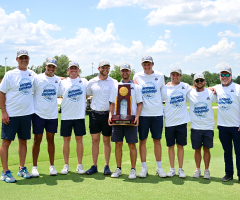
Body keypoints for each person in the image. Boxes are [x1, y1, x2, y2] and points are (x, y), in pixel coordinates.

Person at [0, 49, 34, 183]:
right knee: (6, 142)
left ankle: (22, 168)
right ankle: (5, 172)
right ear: (17, 59)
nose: (24, 60)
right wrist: (3, 112)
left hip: (26, 115)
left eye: (26, 57)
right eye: (21, 58)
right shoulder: (10, 74)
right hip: (11, 115)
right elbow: (1, 92)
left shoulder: (32, 74)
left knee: (23, 141)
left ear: (29, 59)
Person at [133, 56, 167, 178]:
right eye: (144, 64)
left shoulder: (160, 75)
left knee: (157, 141)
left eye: (148, 64)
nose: (146, 66)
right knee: (142, 141)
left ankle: (159, 167)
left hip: (157, 113)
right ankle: (144, 168)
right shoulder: (137, 76)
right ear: (142, 65)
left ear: (153, 64)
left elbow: (164, 90)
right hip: (143, 114)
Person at [108, 63, 142, 179]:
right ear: (120, 72)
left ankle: (133, 169)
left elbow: (139, 104)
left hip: (131, 120)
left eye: (127, 70)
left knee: (132, 145)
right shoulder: (115, 86)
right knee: (118, 144)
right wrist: (110, 115)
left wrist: (137, 116)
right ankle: (118, 168)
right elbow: (112, 103)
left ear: (130, 72)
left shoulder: (136, 87)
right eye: (123, 71)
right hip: (118, 120)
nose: (125, 72)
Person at [86, 60, 118, 175]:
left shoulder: (114, 82)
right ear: (98, 69)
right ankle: (94, 165)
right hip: (94, 114)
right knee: (95, 141)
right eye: (103, 67)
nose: (106, 69)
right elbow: (86, 95)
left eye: (107, 67)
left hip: (107, 115)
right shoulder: (91, 82)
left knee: (106, 141)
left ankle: (106, 165)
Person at [31, 57, 61, 177]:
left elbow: (59, 93)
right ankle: (34, 166)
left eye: (53, 67)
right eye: (49, 66)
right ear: (45, 66)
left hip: (52, 115)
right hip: (38, 114)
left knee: (51, 140)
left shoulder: (58, 80)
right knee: (37, 140)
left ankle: (52, 166)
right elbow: (31, 93)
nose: (51, 68)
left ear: (55, 68)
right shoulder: (37, 78)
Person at [58, 61, 88, 175]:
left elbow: (88, 93)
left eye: (75, 68)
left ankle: (79, 165)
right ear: (68, 70)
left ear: (78, 70)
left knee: (79, 140)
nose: (73, 70)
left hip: (79, 116)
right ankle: (66, 165)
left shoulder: (84, 81)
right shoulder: (63, 83)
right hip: (66, 116)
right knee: (66, 140)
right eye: (71, 68)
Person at [161, 67, 191, 178]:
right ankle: (172, 169)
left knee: (180, 146)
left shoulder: (185, 86)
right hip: (169, 122)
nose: (175, 77)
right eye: (173, 75)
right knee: (170, 146)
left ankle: (180, 169)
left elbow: (196, 88)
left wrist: (212, 88)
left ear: (180, 76)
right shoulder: (165, 89)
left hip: (181, 122)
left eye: (177, 75)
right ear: (170, 76)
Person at [187, 73, 217, 179]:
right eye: (197, 81)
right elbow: (179, 88)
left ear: (204, 81)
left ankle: (207, 170)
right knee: (197, 149)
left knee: (207, 149)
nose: (199, 82)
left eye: (201, 80)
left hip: (208, 127)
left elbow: (222, 92)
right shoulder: (189, 93)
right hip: (195, 127)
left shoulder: (211, 93)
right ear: (194, 82)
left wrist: (215, 88)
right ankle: (198, 169)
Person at [213, 66, 240, 182]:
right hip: (223, 126)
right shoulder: (217, 88)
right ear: (220, 76)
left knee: (239, 151)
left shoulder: (238, 88)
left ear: (231, 76)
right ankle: (229, 173)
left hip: (236, 126)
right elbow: (202, 88)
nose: (224, 77)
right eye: (222, 75)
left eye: (227, 75)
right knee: (227, 152)